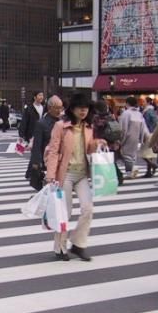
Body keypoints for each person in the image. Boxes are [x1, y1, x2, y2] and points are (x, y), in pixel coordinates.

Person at [45, 93, 106, 262]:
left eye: (86, 108)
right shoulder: (60, 126)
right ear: (72, 109)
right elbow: (53, 151)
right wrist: (50, 176)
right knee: (65, 212)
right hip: (66, 173)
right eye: (80, 108)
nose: (83, 111)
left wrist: (97, 143)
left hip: (82, 174)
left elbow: (88, 150)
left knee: (88, 209)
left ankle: (78, 244)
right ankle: (60, 247)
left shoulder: (88, 127)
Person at [28, 95, 63, 185]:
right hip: (47, 161)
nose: (59, 111)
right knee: (48, 190)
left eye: (61, 108)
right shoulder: (41, 123)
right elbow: (37, 145)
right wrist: (36, 162)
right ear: (50, 108)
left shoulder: (63, 122)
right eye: (57, 108)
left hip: (61, 160)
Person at [92, 99, 123, 185]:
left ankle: (116, 176)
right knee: (111, 160)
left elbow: (95, 129)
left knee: (105, 161)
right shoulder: (111, 116)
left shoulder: (97, 118)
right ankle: (118, 176)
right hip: (114, 142)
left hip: (103, 142)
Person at [118, 96, 149, 179]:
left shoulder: (126, 113)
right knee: (133, 156)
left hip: (128, 137)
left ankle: (129, 172)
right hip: (137, 137)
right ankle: (132, 171)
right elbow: (143, 127)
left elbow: (123, 128)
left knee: (126, 156)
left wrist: (121, 139)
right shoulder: (139, 114)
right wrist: (142, 138)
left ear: (127, 103)